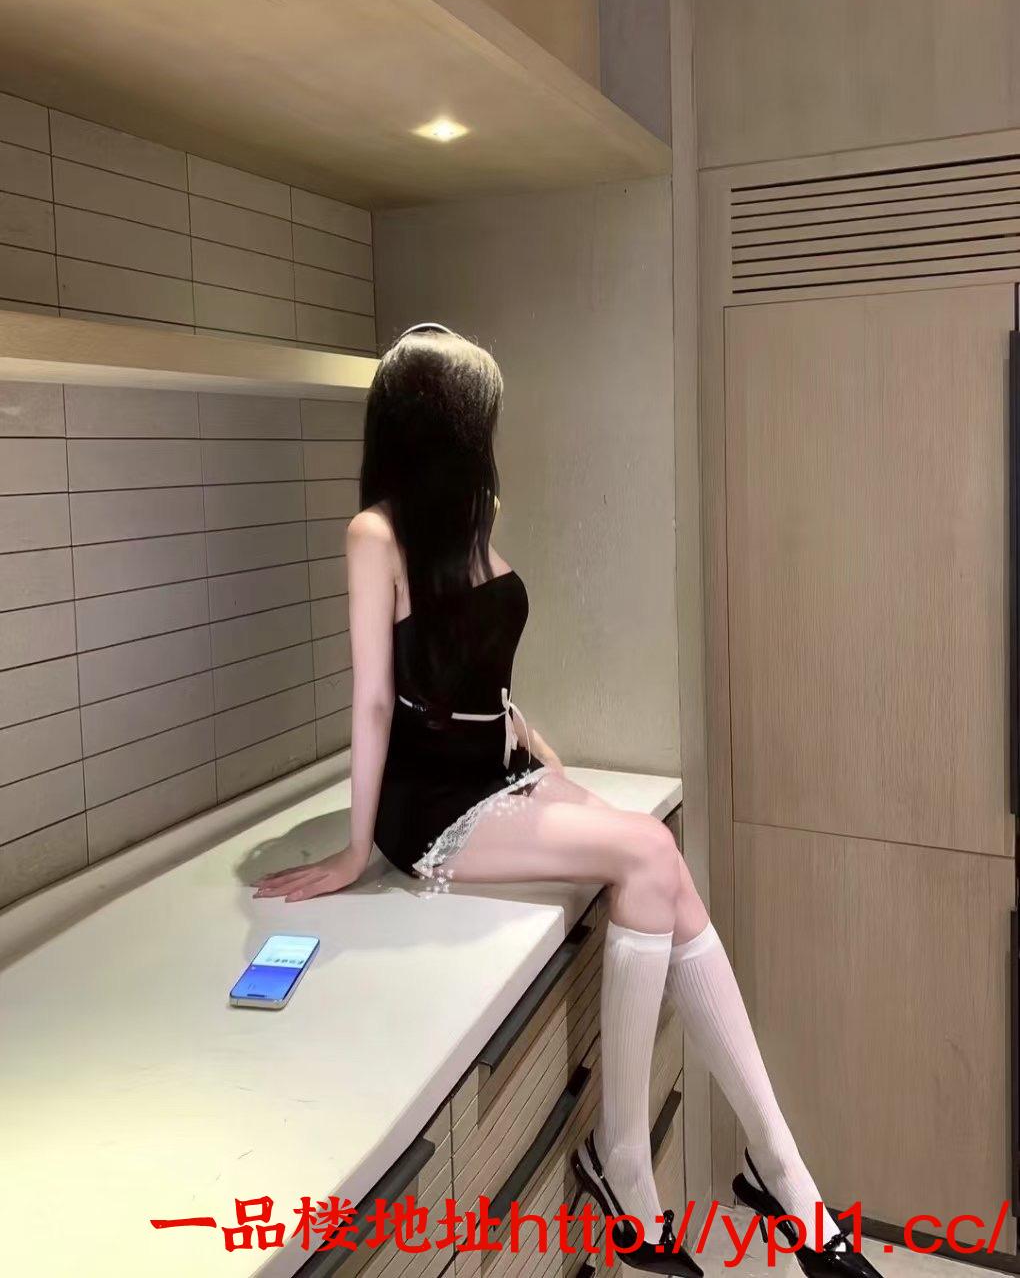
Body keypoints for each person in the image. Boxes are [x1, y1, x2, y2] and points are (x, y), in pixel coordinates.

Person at [253, 325, 881, 1278]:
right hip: (433, 808)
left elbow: (476, 673)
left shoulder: (465, 518)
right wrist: (354, 848)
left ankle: (761, 1171)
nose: (491, 433)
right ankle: (721, 1176)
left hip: (497, 772)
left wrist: (539, 752)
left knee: (658, 866)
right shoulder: (374, 533)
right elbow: (376, 700)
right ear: (440, 421)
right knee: (651, 854)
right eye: (481, 415)